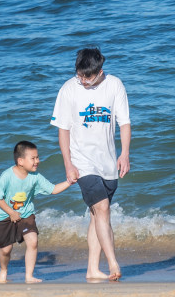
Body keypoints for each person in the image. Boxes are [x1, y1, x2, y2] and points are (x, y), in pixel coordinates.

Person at [50, 47, 131, 281]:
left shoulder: (115, 85)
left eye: (88, 77)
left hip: (108, 162)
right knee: (102, 208)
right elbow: (63, 130)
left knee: (98, 215)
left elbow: (124, 123)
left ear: (100, 71)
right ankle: (114, 264)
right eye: (80, 75)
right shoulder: (68, 89)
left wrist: (124, 154)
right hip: (82, 162)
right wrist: (68, 164)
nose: (83, 81)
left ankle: (92, 269)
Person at [0, 141, 71, 284]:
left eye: (37, 158)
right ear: (20, 161)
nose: (37, 161)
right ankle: (3, 271)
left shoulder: (36, 177)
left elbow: (53, 189)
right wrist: (11, 212)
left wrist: (70, 182)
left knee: (33, 241)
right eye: (33, 158)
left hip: (26, 214)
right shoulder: (7, 176)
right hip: (5, 215)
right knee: (5, 250)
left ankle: (29, 276)